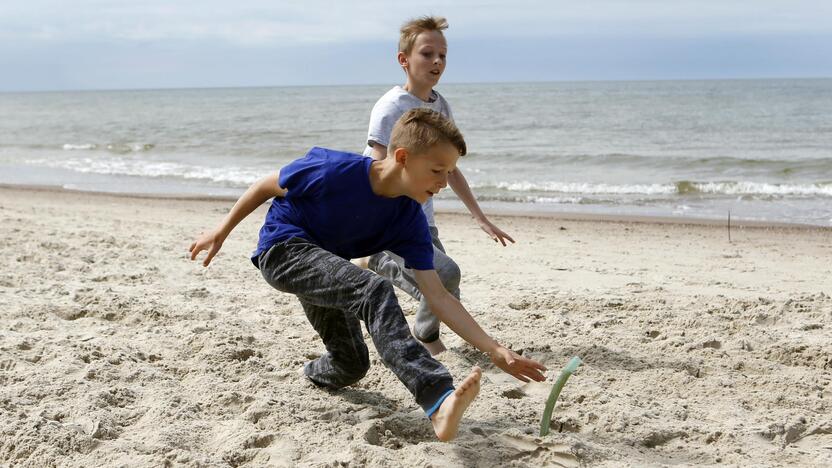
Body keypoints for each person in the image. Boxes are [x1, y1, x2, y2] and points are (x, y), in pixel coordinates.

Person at [189, 109, 546, 442]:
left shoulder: (409, 220)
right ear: (403, 157)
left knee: (352, 364)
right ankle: (437, 399)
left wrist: (496, 349)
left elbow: (437, 296)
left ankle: (309, 372)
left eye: (450, 173)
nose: (443, 183)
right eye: (438, 170)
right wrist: (221, 232)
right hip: (283, 251)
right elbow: (266, 186)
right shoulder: (333, 169)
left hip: (331, 269)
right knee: (375, 289)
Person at [358, 16, 513, 356]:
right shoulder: (390, 108)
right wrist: (373, 223)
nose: (437, 62)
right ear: (404, 60)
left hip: (422, 218)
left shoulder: (440, 106)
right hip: (391, 219)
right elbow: (376, 164)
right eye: (427, 54)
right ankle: (380, 262)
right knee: (444, 276)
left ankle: (424, 331)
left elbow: (450, 168)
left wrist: (480, 218)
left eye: (442, 55)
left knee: (448, 284)